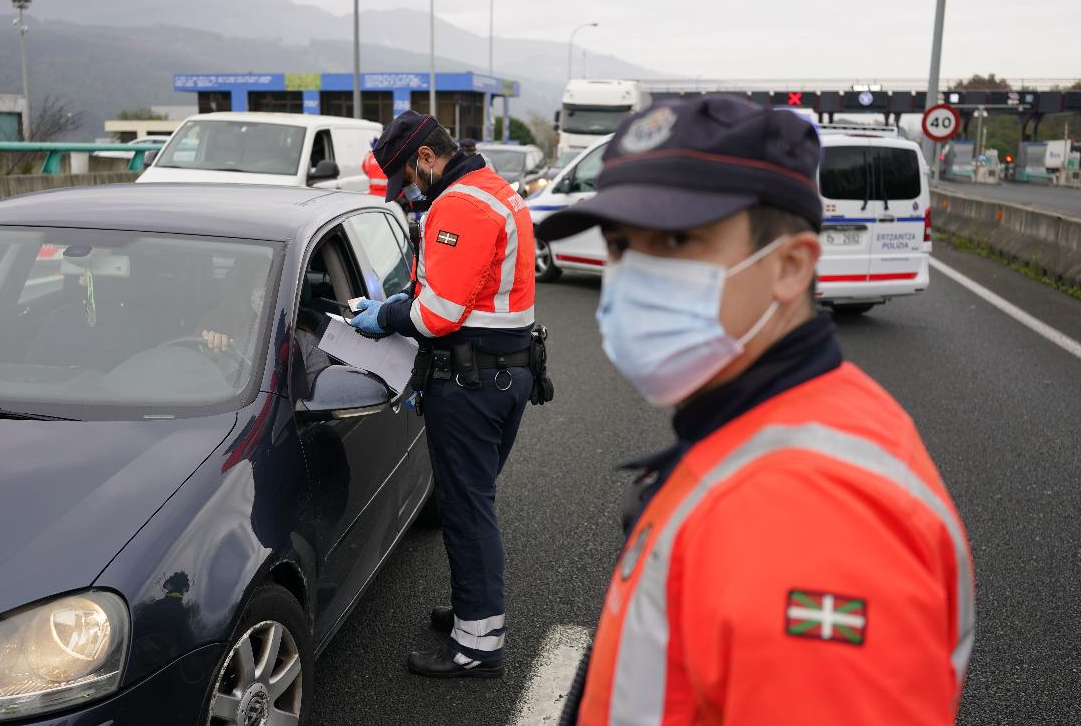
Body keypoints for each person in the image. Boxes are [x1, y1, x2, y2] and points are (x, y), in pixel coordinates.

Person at [538, 96, 975, 725]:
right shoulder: (769, 422)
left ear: (791, 267)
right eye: (620, 244)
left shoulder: (818, 517)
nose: (631, 274)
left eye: (676, 238)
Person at [351, 111, 537, 679]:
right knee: (470, 500)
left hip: (472, 382)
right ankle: (470, 615)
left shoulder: (460, 205)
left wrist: (382, 316)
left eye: (408, 176)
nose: (408, 189)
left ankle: (477, 648)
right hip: (503, 373)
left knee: (466, 509)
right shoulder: (494, 189)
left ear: (426, 157)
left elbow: (437, 315)